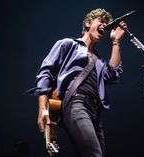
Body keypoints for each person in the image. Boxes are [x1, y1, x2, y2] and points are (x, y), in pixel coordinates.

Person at [27, 8, 128, 157]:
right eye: (101, 21)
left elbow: (113, 74)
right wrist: (43, 108)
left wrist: (116, 42)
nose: (105, 26)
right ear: (88, 23)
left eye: (107, 25)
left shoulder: (99, 61)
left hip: (96, 111)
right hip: (76, 103)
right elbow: (45, 73)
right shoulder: (68, 44)